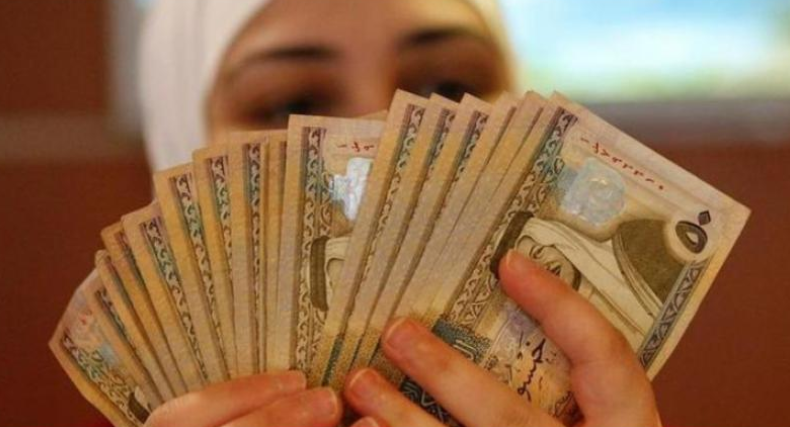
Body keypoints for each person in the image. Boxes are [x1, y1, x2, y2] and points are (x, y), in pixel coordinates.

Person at [139, 1, 662, 426]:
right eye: (291, 103)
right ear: (180, 147)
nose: (387, 146)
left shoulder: (600, 403)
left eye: (448, 88)